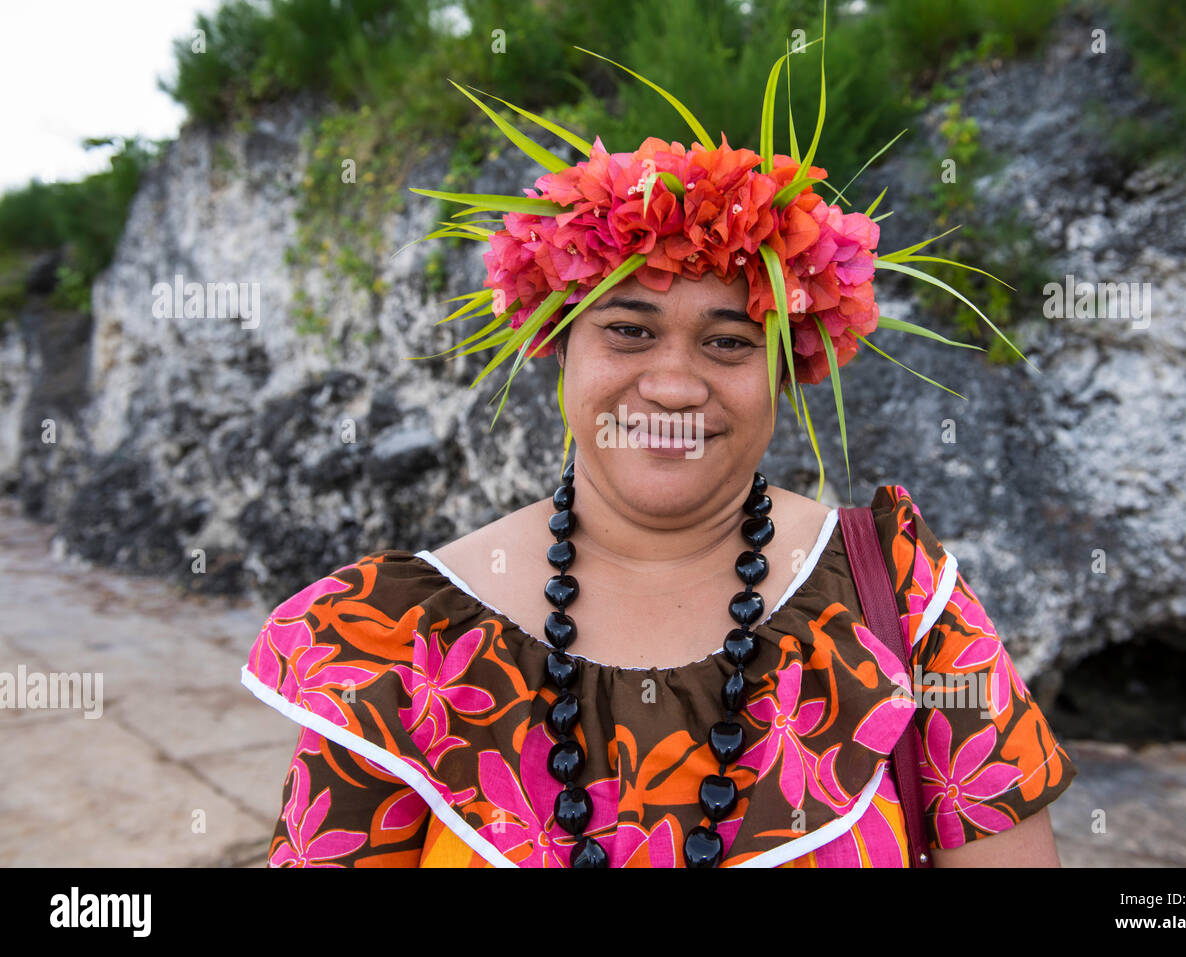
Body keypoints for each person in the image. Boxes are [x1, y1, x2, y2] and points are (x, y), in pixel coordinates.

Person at [240, 13, 1076, 867]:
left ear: (784, 371)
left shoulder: (898, 598)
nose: (675, 384)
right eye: (630, 332)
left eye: (727, 341)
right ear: (558, 345)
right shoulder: (405, 642)